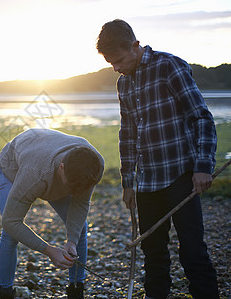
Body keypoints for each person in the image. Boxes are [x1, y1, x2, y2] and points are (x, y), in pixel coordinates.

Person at [96, 19, 219, 299]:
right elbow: (127, 133)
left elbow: (202, 117)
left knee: (192, 250)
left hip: (181, 176)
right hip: (146, 183)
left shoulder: (169, 67)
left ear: (135, 46)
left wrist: (203, 167)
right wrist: (128, 182)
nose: (116, 67)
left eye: (118, 60)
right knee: (152, 252)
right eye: (110, 63)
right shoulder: (123, 84)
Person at [0, 128, 104, 299]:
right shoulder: (35, 173)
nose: (72, 192)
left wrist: (72, 241)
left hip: (47, 162)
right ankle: (5, 292)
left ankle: (76, 290)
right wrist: (48, 251)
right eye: (70, 187)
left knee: (79, 228)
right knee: (10, 234)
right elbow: (10, 221)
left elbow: (81, 202)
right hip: (14, 168)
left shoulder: (94, 165)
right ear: (62, 168)